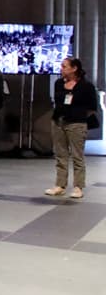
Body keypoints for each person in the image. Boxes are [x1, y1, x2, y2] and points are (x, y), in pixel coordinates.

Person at [46, 57, 99, 200]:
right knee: (60, 154)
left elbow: (92, 108)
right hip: (59, 121)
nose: (61, 69)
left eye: (64, 66)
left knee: (77, 155)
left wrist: (79, 117)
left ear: (74, 68)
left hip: (76, 123)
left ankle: (78, 186)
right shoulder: (58, 83)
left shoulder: (86, 86)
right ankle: (60, 185)